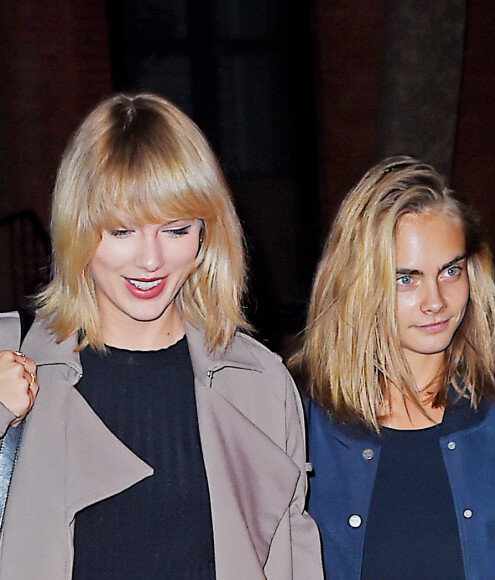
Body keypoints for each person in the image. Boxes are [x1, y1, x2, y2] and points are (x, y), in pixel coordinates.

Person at [0, 93, 323, 579]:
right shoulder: (14, 358)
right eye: (122, 231)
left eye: (175, 230)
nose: (150, 261)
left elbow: (291, 561)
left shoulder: (258, 384)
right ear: (78, 229)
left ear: (205, 233)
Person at [292, 156, 495, 579]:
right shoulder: (300, 422)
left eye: (450, 271)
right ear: (357, 283)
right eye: (405, 278)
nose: (435, 301)